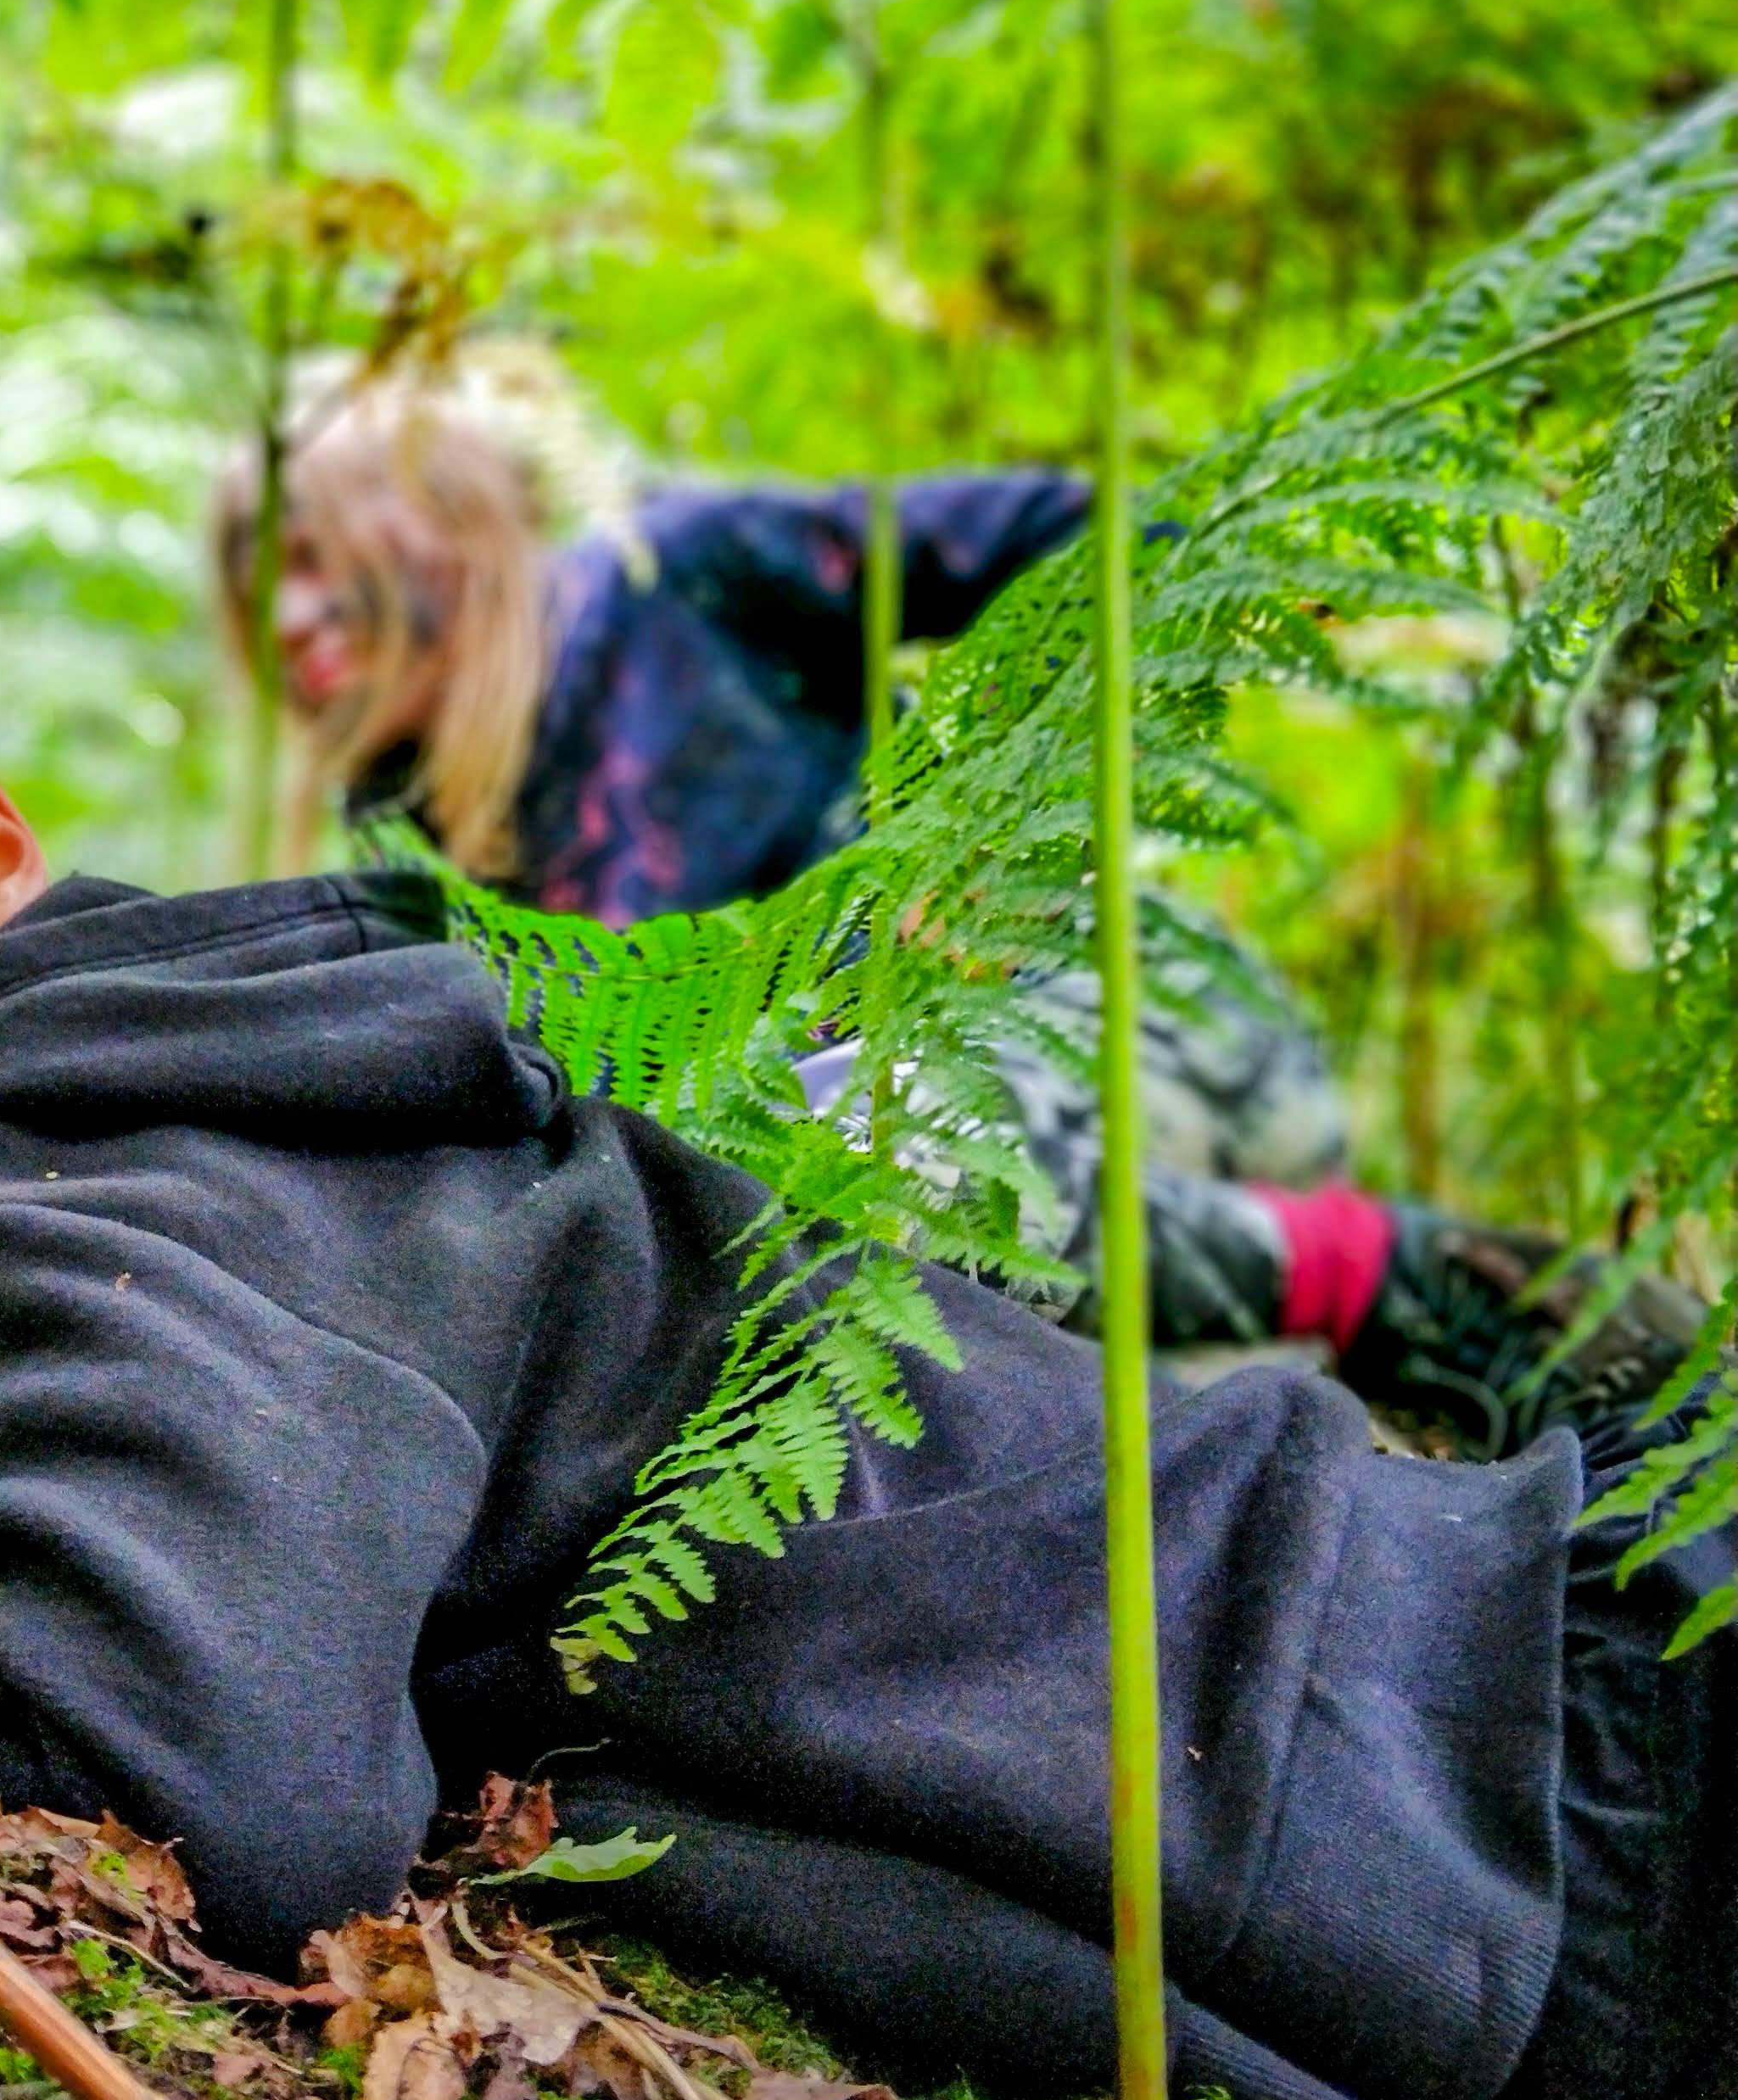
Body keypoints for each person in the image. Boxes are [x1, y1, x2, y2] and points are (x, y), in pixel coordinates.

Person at [0, 612, 1730, 2100]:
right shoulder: (254, 1047)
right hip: (1511, 1676)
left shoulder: (48, 1175)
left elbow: (196, 1786)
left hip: (1522, 1814)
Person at [215, 346, 1692, 1446]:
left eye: (306, 556)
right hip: (974, 1216)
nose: (286, 620)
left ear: (433, 525)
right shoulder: (400, 830)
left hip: (1098, 1036)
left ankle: (1392, 1274)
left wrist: (980, 840)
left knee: (831, 1146)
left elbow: (1121, 550)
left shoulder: (672, 578)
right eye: (249, 583)